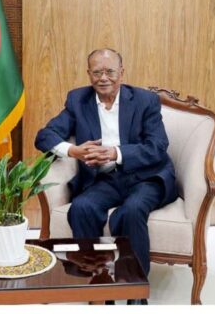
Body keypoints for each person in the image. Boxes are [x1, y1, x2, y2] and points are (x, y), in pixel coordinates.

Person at [35, 48, 176, 277]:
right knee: (82, 207)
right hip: (105, 180)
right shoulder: (78, 101)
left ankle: (133, 286)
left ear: (121, 72)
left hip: (146, 177)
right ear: (88, 74)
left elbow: (158, 146)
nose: (103, 78)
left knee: (131, 211)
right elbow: (44, 136)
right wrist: (74, 151)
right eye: (97, 72)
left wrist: (115, 153)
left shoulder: (145, 100)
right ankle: (94, 281)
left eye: (110, 71)